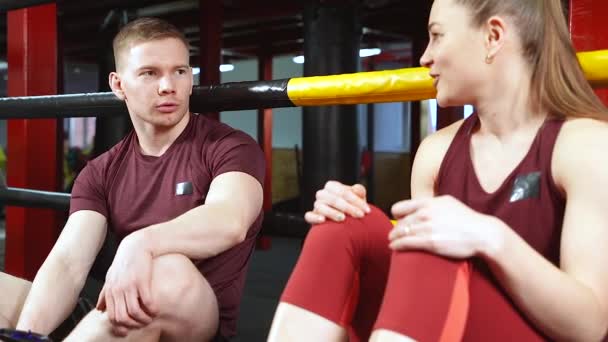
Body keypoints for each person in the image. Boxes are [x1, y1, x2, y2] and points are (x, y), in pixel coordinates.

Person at [268, 0, 608, 341]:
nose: (425, 57)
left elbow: (590, 326)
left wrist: (489, 237)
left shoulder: (583, 145)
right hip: (450, 325)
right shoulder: (436, 151)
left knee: (431, 243)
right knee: (344, 227)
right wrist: (346, 207)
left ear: (492, 36)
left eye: (437, 36)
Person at [0, 17, 264, 342]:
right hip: (119, 309)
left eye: (179, 71)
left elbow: (230, 220)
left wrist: (140, 243)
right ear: (118, 84)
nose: (168, 85)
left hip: (193, 316)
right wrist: (27, 334)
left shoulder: (230, 146)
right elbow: (69, 262)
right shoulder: (101, 171)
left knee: (166, 268)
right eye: (150, 73)